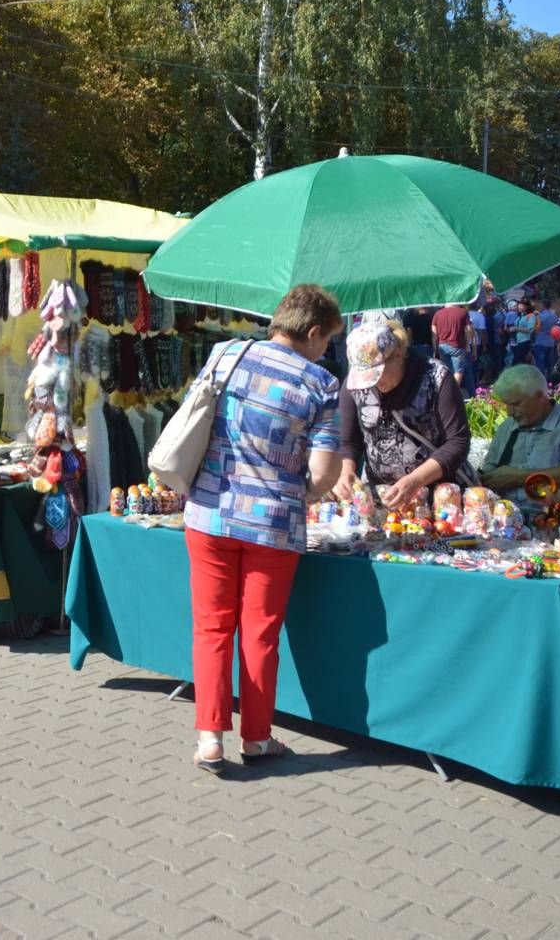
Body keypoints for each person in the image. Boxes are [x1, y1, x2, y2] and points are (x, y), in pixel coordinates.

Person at [186, 284, 346, 775]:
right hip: (273, 525)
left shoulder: (225, 354)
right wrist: (300, 487)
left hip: (209, 513)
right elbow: (323, 475)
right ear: (313, 332)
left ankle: (210, 738)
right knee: (261, 634)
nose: (327, 351)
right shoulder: (322, 385)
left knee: (212, 627)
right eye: (328, 341)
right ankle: (256, 739)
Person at [331, 321, 470, 510]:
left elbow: (457, 442)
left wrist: (416, 480)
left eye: (377, 374)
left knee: (437, 538)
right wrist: (346, 470)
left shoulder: (436, 378)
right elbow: (348, 442)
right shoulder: (354, 386)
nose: (373, 383)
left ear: (398, 355)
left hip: (438, 499)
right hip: (380, 498)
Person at [478, 364, 560, 506]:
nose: (510, 412)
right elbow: (490, 469)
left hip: (555, 518)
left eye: (516, 404)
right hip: (508, 516)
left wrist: (518, 477)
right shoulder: (507, 426)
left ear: (540, 396)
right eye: (507, 405)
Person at [430, 302, 472, 396]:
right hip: (458, 346)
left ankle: (446, 391)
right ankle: (452, 393)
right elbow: (469, 330)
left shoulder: (437, 314)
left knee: (447, 371)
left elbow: (434, 333)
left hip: (442, 346)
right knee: (458, 371)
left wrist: (435, 347)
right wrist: (467, 343)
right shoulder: (463, 312)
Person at [509, 299, 539, 371]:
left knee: (517, 363)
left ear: (527, 307)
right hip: (517, 342)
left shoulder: (531, 316)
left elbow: (530, 330)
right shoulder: (520, 316)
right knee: (517, 362)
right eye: (519, 305)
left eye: (522, 305)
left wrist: (517, 329)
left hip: (525, 341)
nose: (519, 307)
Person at [532, 301, 560, 375]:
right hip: (551, 343)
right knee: (549, 364)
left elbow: (535, 329)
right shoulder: (554, 316)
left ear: (543, 305)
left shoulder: (540, 316)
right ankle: (551, 381)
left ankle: (542, 381)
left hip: (540, 343)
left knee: (540, 364)